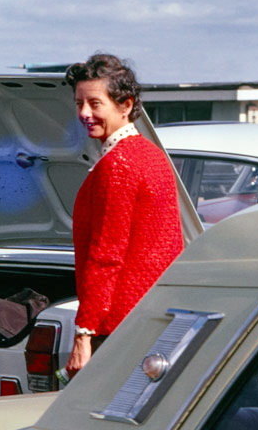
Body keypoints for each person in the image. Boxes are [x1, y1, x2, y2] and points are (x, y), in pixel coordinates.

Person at [65, 53, 184, 375]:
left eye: (94, 103)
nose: (85, 113)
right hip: (153, 317)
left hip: (118, 325)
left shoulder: (119, 164)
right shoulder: (150, 154)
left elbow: (107, 255)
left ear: (126, 104)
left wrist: (83, 334)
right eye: (79, 104)